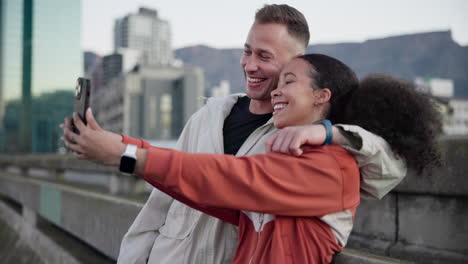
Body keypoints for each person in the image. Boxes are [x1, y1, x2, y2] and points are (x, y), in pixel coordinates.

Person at [62, 5, 406, 264]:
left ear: (307, 75)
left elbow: (227, 178)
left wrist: (332, 133)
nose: (249, 65)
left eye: (266, 58)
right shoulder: (209, 115)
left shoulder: (327, 162)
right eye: (247, 51)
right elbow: (195, 187)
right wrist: (116, 148)